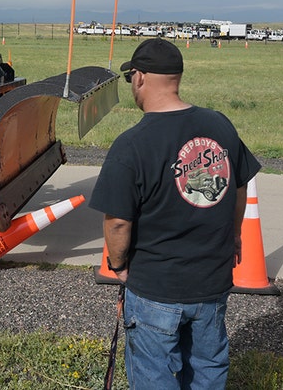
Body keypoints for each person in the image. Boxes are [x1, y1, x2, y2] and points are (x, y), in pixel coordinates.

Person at [88, 38, 260, 389]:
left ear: (139, 78)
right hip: (211, 284)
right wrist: (235, 234)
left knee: (154, 375)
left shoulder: (131, 144)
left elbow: (119, 221)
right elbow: (239, 185)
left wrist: (119, 266)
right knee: (208, 371)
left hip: (156, 288)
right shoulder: (220, 125)